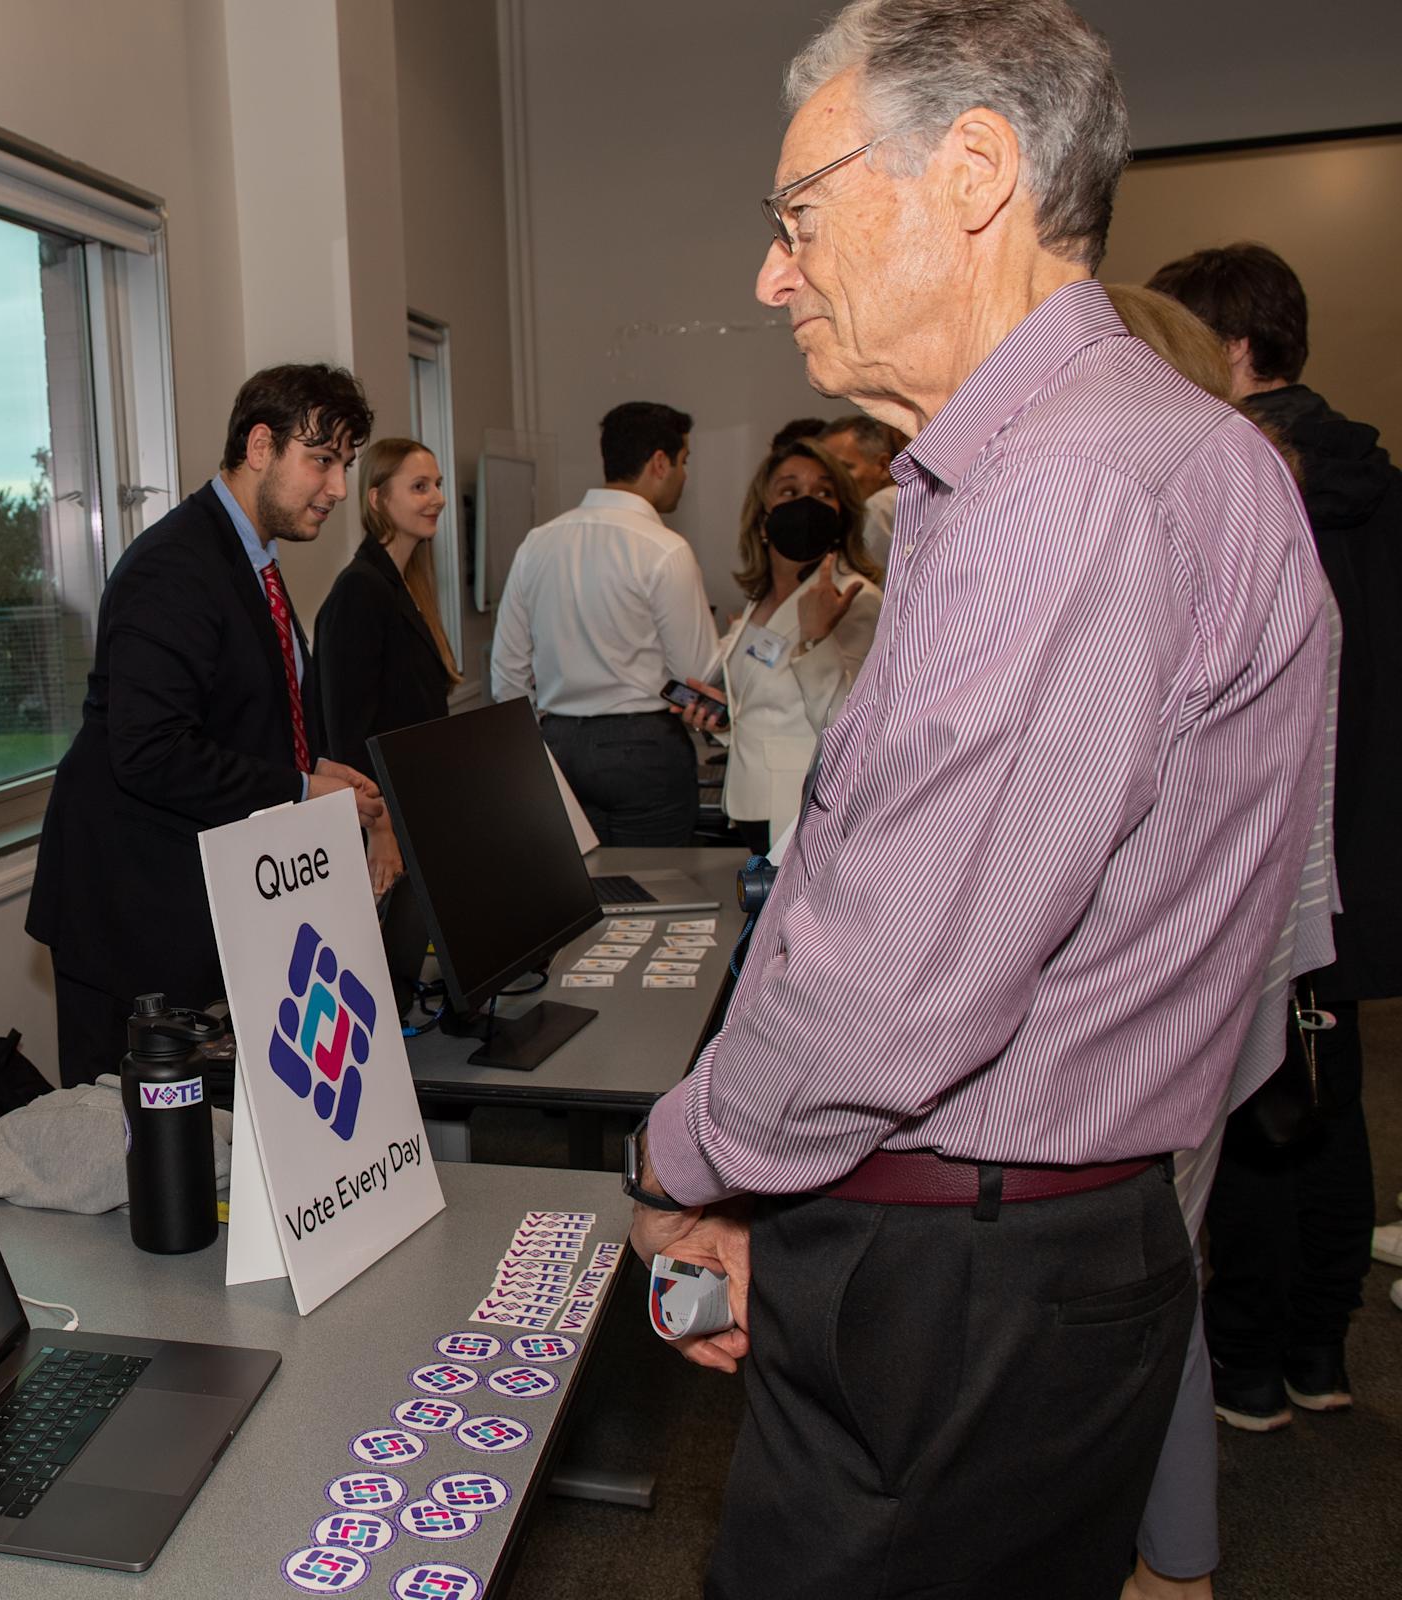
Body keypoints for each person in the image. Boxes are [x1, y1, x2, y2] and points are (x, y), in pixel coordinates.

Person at [625, 6, 1331, 1597]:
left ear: (974, 171)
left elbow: (896, 985)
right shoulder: (1131, 458)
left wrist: (684, 1157)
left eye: (799, 215)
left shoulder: (1064, 489)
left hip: (962, 1282)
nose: (774, 274)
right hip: (1022, 1246)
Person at [1148, 241, 1399, 1434]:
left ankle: (1245, 1362)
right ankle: (1319, 1349)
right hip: (1366, 844)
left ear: (1234, 347)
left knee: (1251, 1101)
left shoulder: (1241, 479)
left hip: (1276, 848)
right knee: (1330, 1099)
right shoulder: (1378, 480)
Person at [26, 365, 387, 1087]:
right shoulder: (174, 566)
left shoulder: (252, 560)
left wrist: (314, 770)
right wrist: (299, 789)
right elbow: (151, 751)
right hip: (129, 910)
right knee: (128, 1145)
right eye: (321, 460)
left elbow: (235, 715)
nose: (338, 488)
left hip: (196, 899)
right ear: (260, 446)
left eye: (344, 466)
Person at [490, 401, 715, 845]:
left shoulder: (538, 543)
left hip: (558, 743)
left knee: (574, 881)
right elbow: (696, 675)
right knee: (659, 878)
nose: (685, 475)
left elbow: (507, 674)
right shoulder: (665, 549)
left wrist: (540, 746)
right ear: (659, 462)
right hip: (644, 747)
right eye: (684, 461)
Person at [677, 438, 882, 852]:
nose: (807, 504)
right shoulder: (760, 601)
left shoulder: (855, 597)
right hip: (752, 804)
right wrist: (723, 723)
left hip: (807, 810)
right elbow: (762, 707)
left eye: (823, 492)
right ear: (762, 518)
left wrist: (816, 638)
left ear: (841, 515)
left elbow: (848, 724)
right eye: (789, 491)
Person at [312, 435, 464, 786]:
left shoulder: (408, 584)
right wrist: (379, 814)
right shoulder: (360, 589)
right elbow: (348, 737)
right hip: (386, 802)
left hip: (421, 789)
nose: (438, 499)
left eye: (438, 485)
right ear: (378, 499)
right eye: (420, 487)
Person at [816, 413, 904, 565]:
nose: (831, 481)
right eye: (825, 472)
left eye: (842, 468)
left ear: (882, 466)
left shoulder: (882, 506)